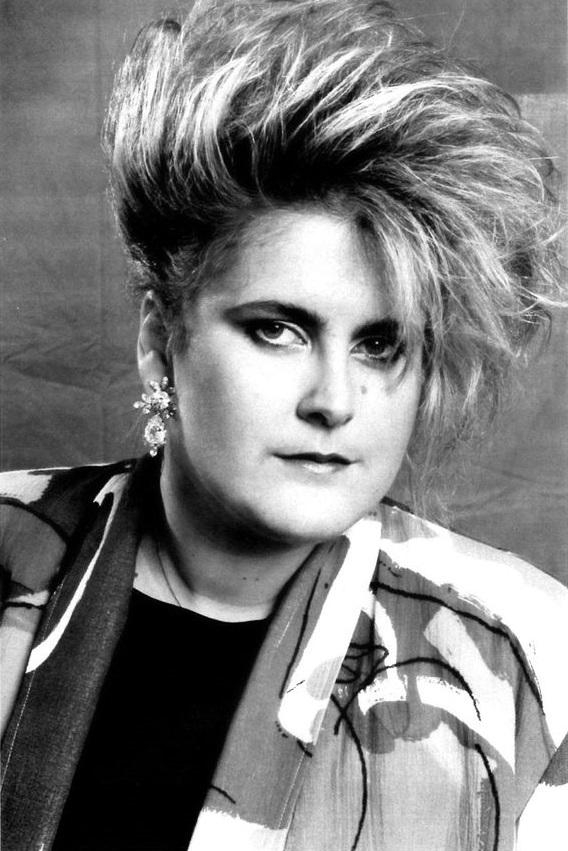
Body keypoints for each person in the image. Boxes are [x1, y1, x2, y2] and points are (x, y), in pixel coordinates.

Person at [1, 1, 567, 848]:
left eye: (380, 344)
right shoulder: (11, 550)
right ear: (160, 340)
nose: (333, 399)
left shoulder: (531, 660)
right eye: (277, 329)